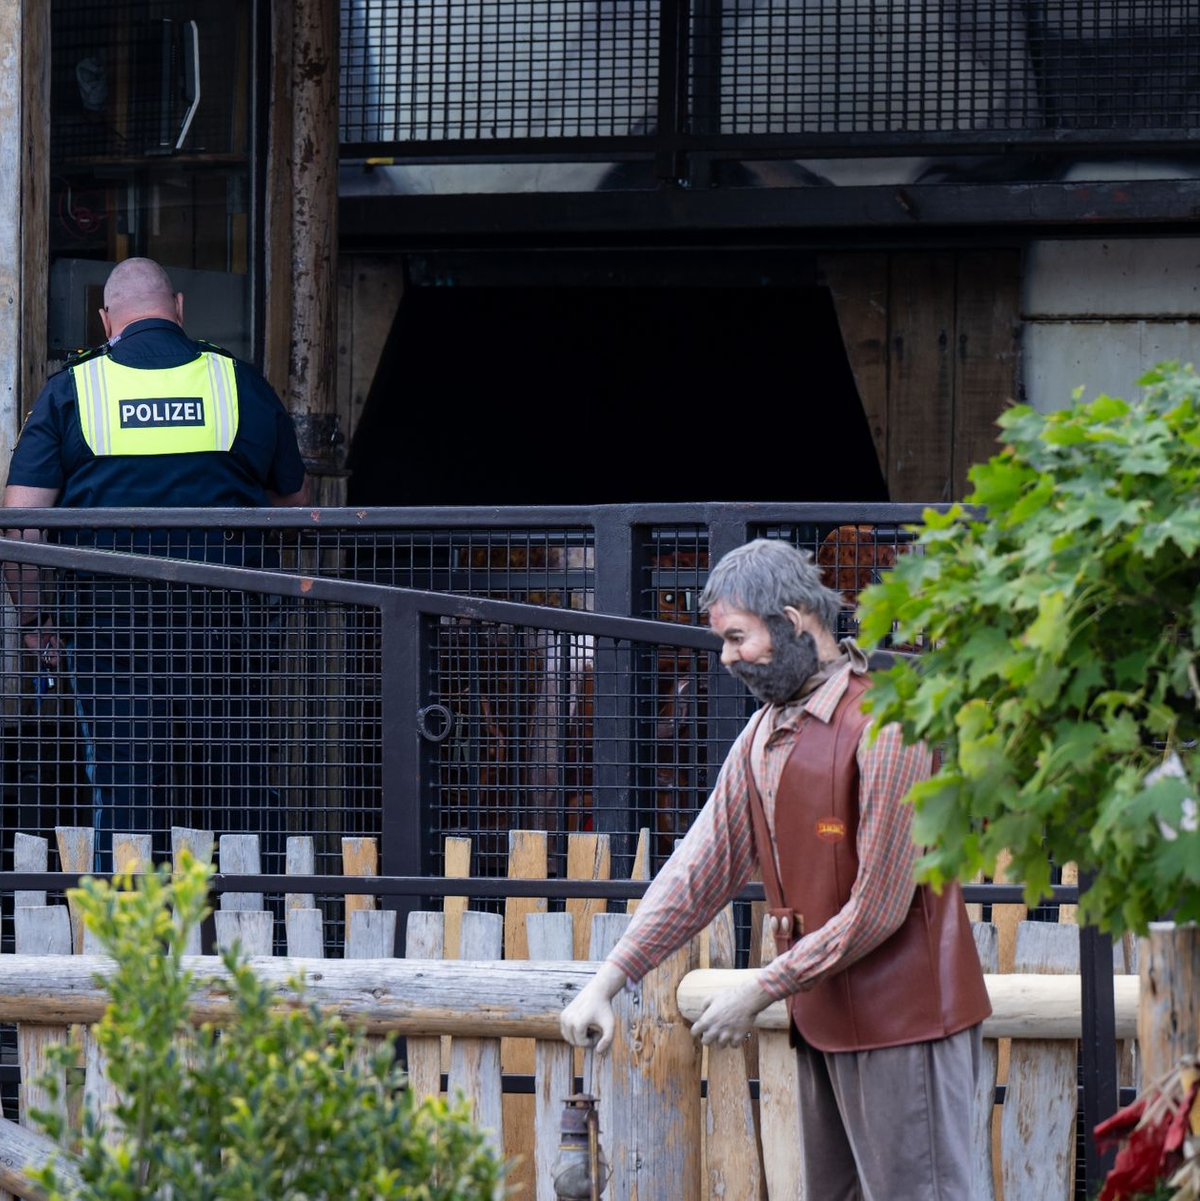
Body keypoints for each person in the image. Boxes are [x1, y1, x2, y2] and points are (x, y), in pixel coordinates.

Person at [560, 538, 991, 1201]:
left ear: (794, 621)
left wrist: (762, 986)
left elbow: (878, 908)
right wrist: (609, 978)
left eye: (738, 636)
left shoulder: (890, 725)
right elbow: (698, 869)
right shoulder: (762, 734)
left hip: (908, 1023)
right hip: (824, 1020)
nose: (726, 656)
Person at [3, 257, 308, 868]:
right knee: (237, 785)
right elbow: (295, 505)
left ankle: (132, 942)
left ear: (105, 319)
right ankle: (252, 933)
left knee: (125, 792)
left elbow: (23, 520)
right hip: (229, 631)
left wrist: (36, 621)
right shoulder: (238, 382)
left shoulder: (73, 389)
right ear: (179, 308)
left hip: (110, 633)